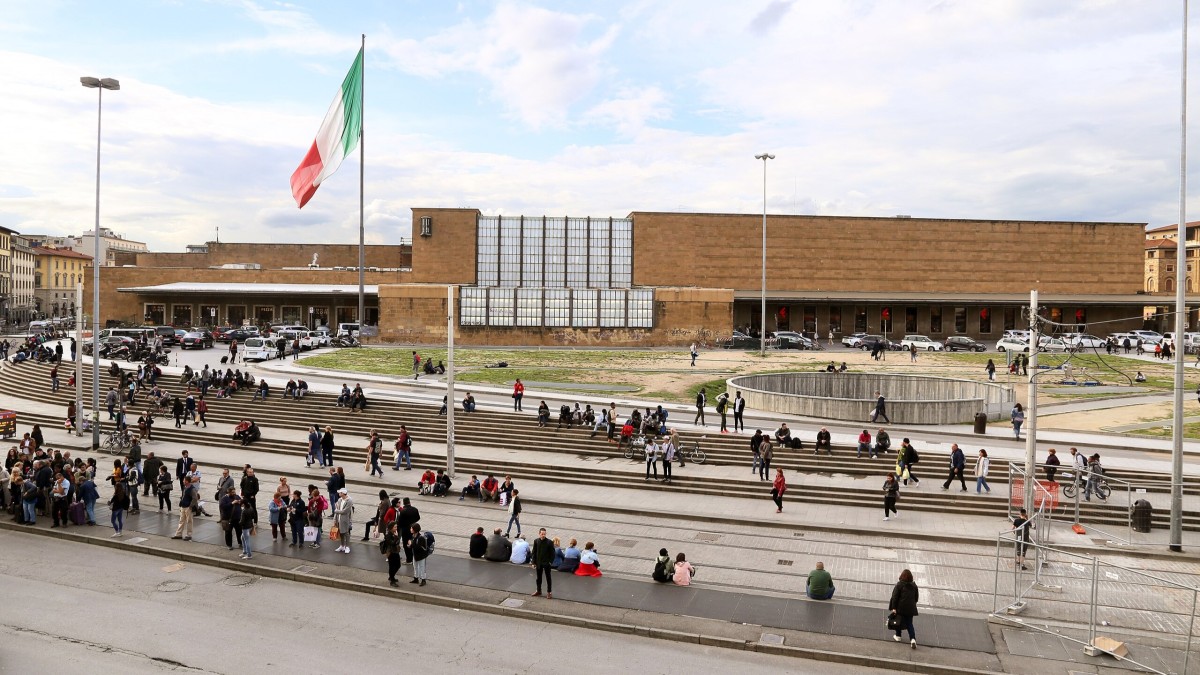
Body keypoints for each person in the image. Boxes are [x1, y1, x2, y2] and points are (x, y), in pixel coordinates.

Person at [888, 569, 920, 649]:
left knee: (898, 621)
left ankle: (898, 636)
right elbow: (916, 598)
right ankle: (912, 639)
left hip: (900, 608)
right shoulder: (914, 586)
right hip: (910, 608)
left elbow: (895, 597)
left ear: (901, 576)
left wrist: (894, 607)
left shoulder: (899, 585)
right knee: (909, 624)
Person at [531, 527, 555, 598]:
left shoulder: (549, 542)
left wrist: (550, 562)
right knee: (538, 578)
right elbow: (534, 552)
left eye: (544, 534)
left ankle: (549, 592)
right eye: (542, 534)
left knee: (548, 578)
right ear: (539, 534)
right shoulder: (536, 541)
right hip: (539, 563)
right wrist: (533, 562)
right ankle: (538, 590)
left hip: (547, 563)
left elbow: (553, 553)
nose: (543, 535)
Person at [383, 522, 403, 587]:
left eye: (396, 527)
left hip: (395, 552)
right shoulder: (388, 535)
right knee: (392, 566)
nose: (396, 528)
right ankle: (392, 580)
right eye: (395, 527)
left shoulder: (394, 533)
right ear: (391, 528)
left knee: (398, 565)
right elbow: (392, 543)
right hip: (391, 553)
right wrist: (396, 537)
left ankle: (392, 576)